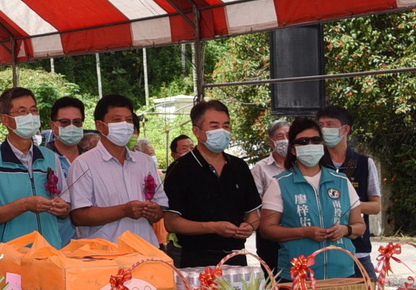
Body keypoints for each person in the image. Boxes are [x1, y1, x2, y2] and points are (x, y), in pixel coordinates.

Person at [160, 101, 262, 269]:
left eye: (226, 126)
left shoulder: (239, 166)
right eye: (214, 126)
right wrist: (212, 227)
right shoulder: (180, 169)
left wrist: (249, 226)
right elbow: (171, 222)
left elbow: (253, 214)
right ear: (197, 131)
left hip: (236, 257)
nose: (222, 131)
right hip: (197, 259)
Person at [259, 118, 365, 278]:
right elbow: (267, 229)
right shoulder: (280, 184)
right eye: (303, 141)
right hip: (299, 275)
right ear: (293, 149)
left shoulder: (341, 181)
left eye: (316, 140)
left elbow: (359, 225)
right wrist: (305, 232)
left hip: (342, 273)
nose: (310, 145)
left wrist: (345, 230)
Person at [0, 86, 73, 250]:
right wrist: (24, 205)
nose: (30, 116)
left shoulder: (50, 157)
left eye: (33, 110)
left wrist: (62, 208)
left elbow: (66, 206)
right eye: (22, 112)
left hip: (50, 253)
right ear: (5, 119)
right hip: (9, 258)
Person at [68, 95, 167, 246]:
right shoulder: (83, 164)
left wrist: (154, 211)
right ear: (100, 126)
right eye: (117, 120)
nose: (125, 125)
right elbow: (79, 216)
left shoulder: (144, 162)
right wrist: (124, 211)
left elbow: (160, 208)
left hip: (145, 250)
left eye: (128, 120)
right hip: (104, 256)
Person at [318, 105, 382, 271]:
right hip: (321, 248)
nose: (324, 129)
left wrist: (346, 205)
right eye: (321, 125)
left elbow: (376, 206)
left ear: (345, 129)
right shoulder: (315, 161)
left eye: (330, 124)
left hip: (358, 249)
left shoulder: (363, 163)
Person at [250, 118, 291, 276]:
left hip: (297, 230)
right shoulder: (261, 168)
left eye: (288, 135)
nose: (285, 140)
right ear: (271, 141)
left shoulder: (302, 165)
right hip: (270, 234)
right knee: (273, 279)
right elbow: (255, 199)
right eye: (280, 136)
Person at [44, 96, 88, 178]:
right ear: (53, 126)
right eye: (65, 122)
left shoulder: (90, 159)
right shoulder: (42, 160)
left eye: (77, 122)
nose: (72, 127)